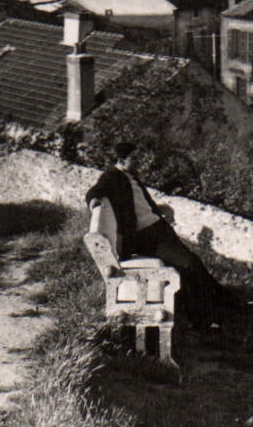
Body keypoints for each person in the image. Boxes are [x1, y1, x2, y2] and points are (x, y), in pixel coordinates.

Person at [86, 141, 241, 331]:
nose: (140, 161)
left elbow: (140, 204)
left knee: (193, 262)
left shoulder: (130, 175)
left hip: (158, 230)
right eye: (134, 158)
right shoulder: (112, 177)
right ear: (121, 160)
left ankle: (224, 302)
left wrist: (159, 210)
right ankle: (203, 320)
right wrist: (94, 203)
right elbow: (95, 191)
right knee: (189, 264)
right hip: (146, 237)